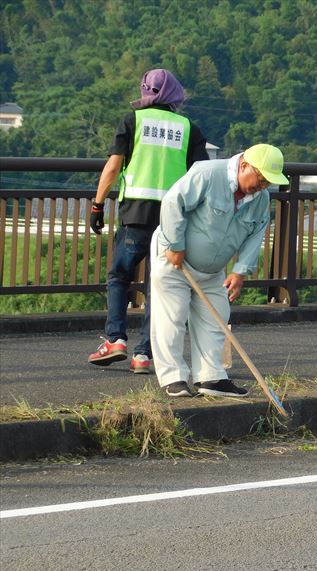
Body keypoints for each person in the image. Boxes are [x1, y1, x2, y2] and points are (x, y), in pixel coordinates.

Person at [88, 68, 209, 374]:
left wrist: (98, 204)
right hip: (173, 221)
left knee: (119, 277)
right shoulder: (188, 128)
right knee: (158, 286)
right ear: (175, 94)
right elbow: (200, 177)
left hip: (135, 216)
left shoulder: (133, 121)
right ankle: (143, 355)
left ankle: (115, 339)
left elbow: (113, 167)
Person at [149, 143, 288, 398]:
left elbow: (257, 233)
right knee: (172, 316)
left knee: (216, 317)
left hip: (213, 270)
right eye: (260, 178)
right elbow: (172, 202)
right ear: (244, 165)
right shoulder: (208, 174)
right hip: (174, 258)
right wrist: (175, 244)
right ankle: (174, 378)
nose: (262, 186)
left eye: (268, 182)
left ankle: (210, 377)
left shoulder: (261, 199)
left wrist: (240, 271)